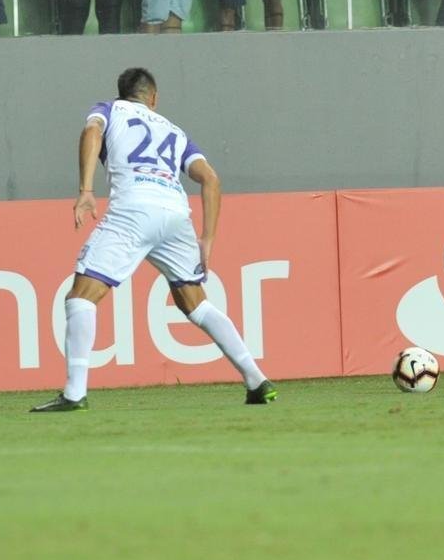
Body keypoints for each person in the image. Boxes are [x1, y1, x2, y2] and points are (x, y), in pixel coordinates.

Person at [31, 68, 277, 411]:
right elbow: (211, 179)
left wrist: (86, 189)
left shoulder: (108, 110)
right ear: (154, 98)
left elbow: (91, 131)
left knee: (80, 298)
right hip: (176, 215)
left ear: (122, 94)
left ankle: (74, 393)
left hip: (134, 209)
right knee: (197, 303)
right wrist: (206, 238)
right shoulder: (175, 132)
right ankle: (256, 380)